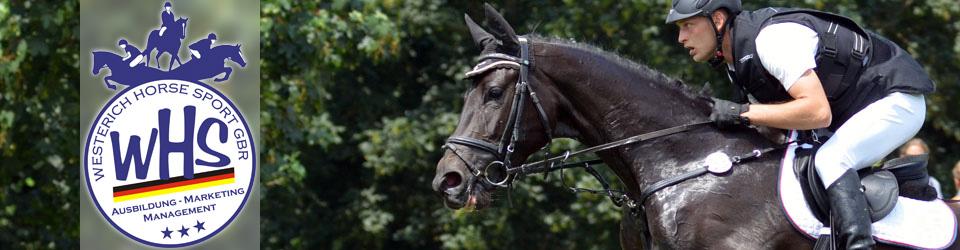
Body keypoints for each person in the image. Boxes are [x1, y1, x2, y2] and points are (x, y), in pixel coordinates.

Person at [665, 1, 934, 249]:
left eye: (688, 25)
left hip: (895, 99)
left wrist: (742, 112)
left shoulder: (771, 42)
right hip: (853, 109)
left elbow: (817, 112)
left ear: (719, 20)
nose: (681, 38)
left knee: (831, 160)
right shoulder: (736, 60)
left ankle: (859, 245)